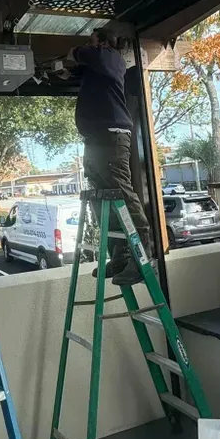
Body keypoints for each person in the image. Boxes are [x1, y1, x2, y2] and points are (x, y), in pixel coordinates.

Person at [68, 28, 150, 285]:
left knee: (121, 190)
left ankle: (143, 253)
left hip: (112, 136)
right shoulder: (98, 68)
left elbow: (90, 57)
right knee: (101, 197)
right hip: (95, 139)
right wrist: (69, 69)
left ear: (103, 43)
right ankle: (120, 253)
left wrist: (77, 53)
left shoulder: (112, 57)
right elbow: (82, 68)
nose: (86, 45)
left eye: (91, 41)